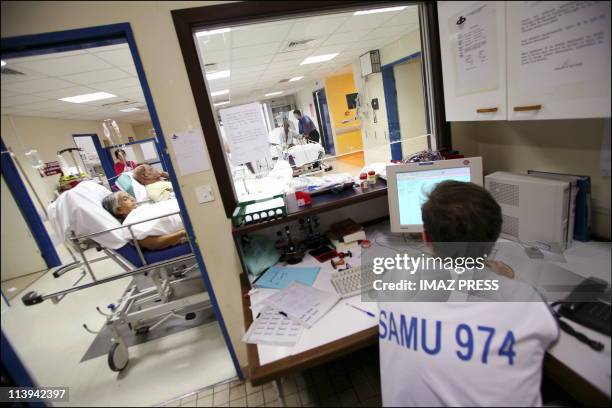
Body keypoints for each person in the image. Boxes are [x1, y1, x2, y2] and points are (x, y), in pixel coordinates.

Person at [378, 181, 559, 406]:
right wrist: (500, 275)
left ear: (426, 238)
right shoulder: (524, 302)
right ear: (493, 242)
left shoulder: (394, 278)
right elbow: (550, 336)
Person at [102, 191, 187, 250]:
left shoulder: (141, 211)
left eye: (129, 196)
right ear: (119, 210)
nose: (132, 199)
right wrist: (183, 233)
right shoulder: (130, 225)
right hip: (187, 217)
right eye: (125, 199)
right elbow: (153, 244)